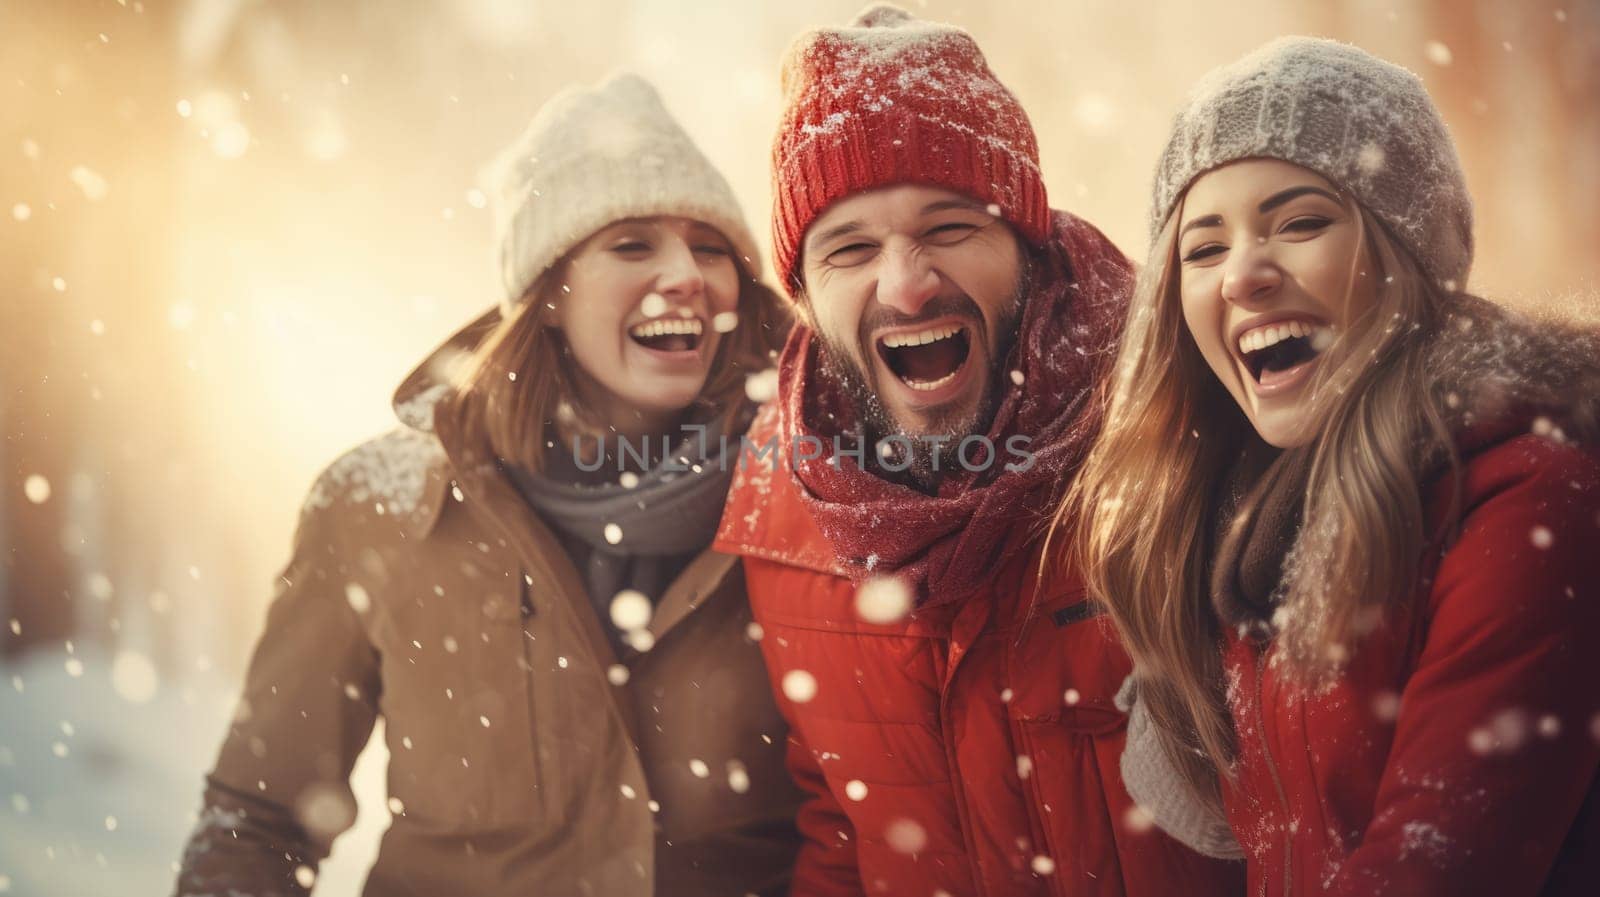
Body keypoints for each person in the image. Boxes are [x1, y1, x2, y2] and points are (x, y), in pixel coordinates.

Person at [174, 73, 803, 897]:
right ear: (548, 294)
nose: (687, 272)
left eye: (711, 246)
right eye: (633, 243)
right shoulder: (378, 507)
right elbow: (257, 819)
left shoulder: (806, 498)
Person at [713, 5, 1246, 895]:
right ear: (804, 295)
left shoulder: (1179, 437)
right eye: (848, 247)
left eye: (951, 227)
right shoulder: (782, 519)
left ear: (1026, 247)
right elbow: (842, 839)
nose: (907, 284)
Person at [1065, 36, 1600, 896]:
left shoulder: (1526, 496)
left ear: (1407, 253)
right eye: (1202, 248)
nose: (1243, 274)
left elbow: (1439, 862)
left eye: (1301, 221)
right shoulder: (1242, 531)